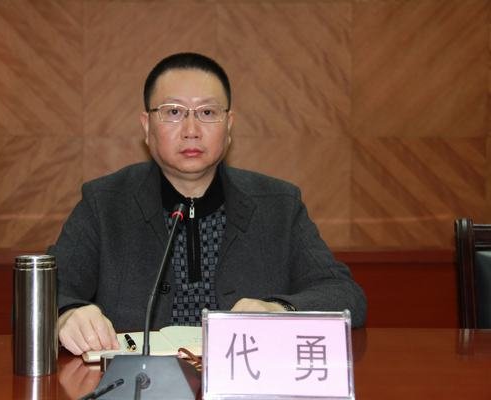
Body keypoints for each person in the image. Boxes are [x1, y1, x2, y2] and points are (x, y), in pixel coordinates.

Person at [49, 52, 367, 356]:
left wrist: (278, 309)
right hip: (138, 384)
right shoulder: (105, 203)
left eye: (208, 113)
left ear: (229, 125)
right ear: (146, 126)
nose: (191, 131)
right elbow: (47, 292)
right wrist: (67, 313)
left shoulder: (279, 205)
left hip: (246, 381)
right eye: (174, 112)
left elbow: (345, 295)